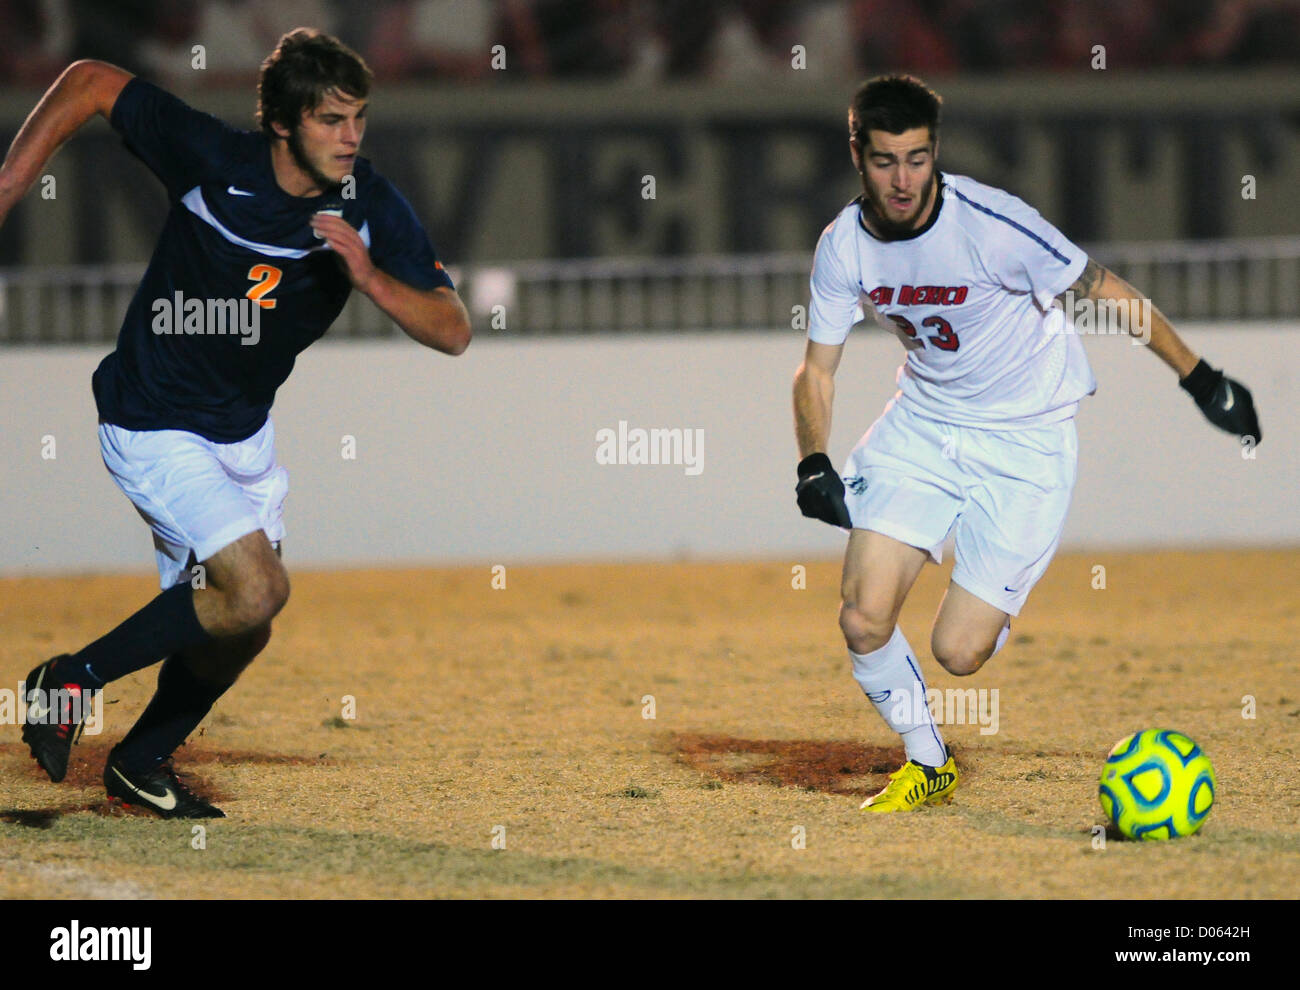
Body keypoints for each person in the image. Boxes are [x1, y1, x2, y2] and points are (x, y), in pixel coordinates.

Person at [1, 29, 471, 818]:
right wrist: (10, 184)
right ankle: (67, 682)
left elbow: (454, 328)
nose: (350, 137)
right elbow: (87, 79)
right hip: (150, 419)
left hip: (242, 437)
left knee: (243, 628)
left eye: (358, 118)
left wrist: (369, 278)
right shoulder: (212, 158)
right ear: (284, 122)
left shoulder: (369, 206)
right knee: (256, 589)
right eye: (331, 119)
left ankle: (140, 759)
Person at [791, 74, 1260, 813]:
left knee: (958, 654)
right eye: (885, 161)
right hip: (925, 426)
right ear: (857, 154)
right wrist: (813, 457)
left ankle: (987, 606)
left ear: (935, 151)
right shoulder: (843, 246)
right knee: (862, 615)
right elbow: (816, 370)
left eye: (917, 158)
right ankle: (927, 760)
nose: (904, 179)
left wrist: (1202, 379)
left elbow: (1106, 290)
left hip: (1027, 441)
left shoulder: (993, 224)